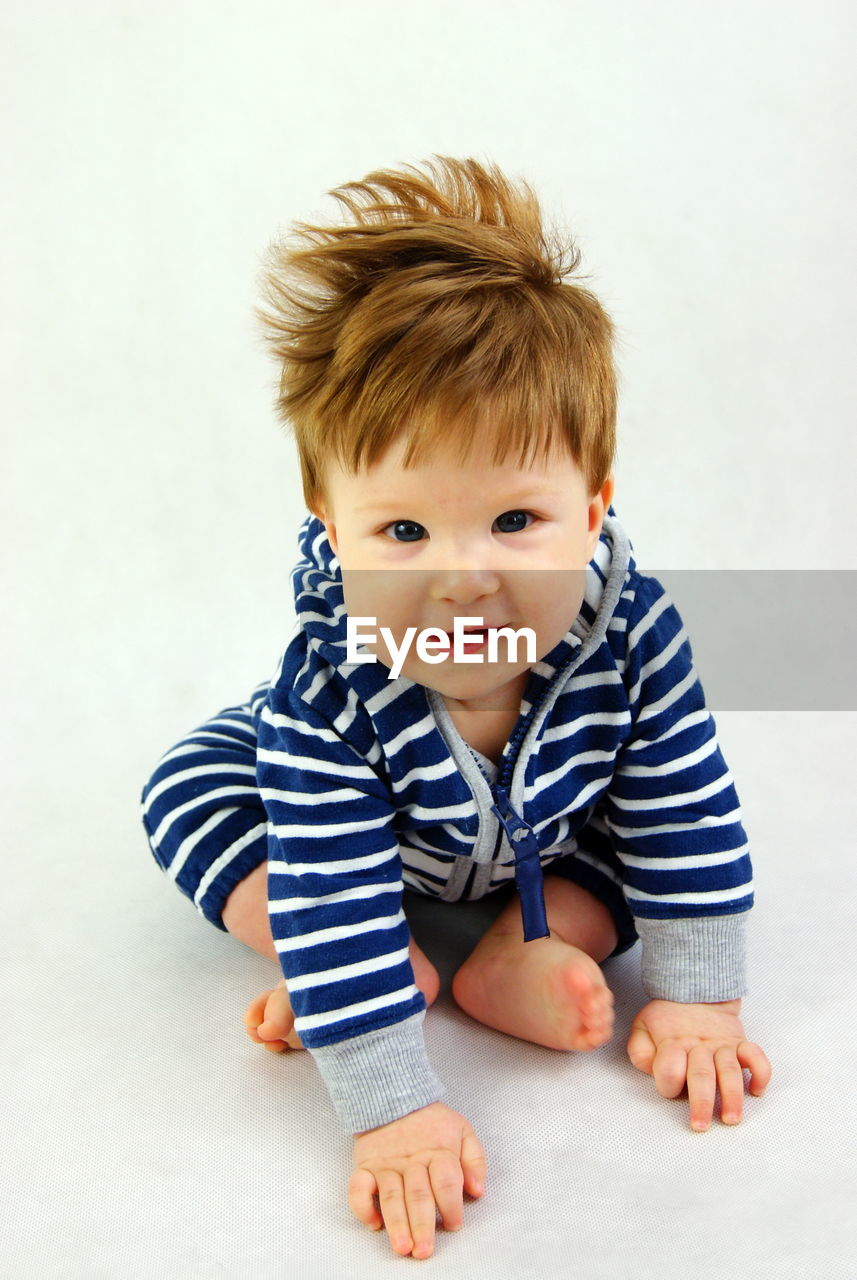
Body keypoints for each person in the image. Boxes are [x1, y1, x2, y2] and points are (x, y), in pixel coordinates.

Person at [140, 156, 772, 1261]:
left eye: (517, 518)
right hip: (356, 851)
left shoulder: (630, 631)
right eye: (402, 532)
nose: (462, 577)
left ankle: (504, 957)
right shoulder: (329, 687)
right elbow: (332, 872)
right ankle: (354, 969)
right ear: (331, 525)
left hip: (546, 839)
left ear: (594, 506)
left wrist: (697, 998)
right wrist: (391, 1111)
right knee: (191, 791)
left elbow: (684, 814)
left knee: (637, 842)